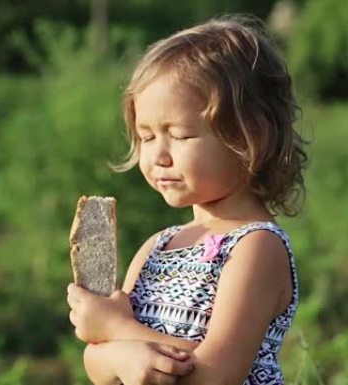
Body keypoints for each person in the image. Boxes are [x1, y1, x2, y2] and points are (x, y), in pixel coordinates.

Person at [66, 14, 308, 385]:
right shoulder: (156, 247)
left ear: (248, 138)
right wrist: (114, 344)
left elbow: (217, 374)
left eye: (178, 135)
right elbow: (97, 361)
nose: (158, 156)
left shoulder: (256, 247)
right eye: (146, 137)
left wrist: (117, 328)